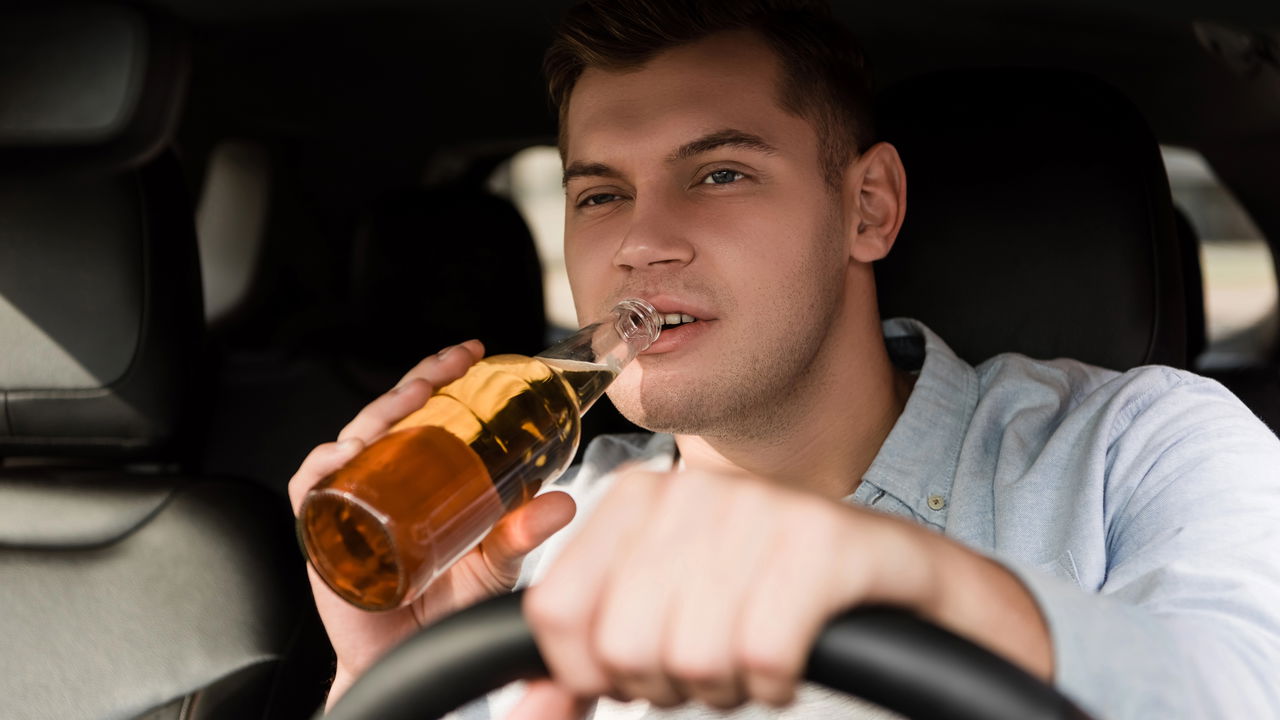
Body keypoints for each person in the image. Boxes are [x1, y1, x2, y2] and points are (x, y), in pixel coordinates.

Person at [288, 0, 1280, 717]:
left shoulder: (1141, 448)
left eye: (719, 174)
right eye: (599, 195)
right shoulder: (524, 540)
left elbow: (1240, 683)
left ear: (867, 208)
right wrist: (386, 681)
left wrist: (937, 592)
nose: (640, 243)